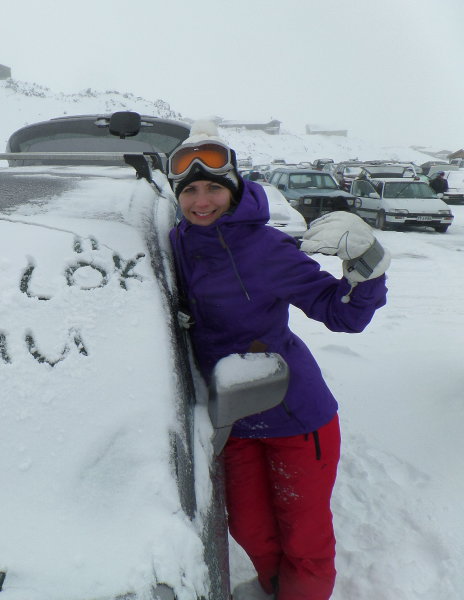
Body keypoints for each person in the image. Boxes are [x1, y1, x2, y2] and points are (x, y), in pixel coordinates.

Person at [168, 122, 389, 600]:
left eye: (213, 189)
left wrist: (367, 264)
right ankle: (275, 589)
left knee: (304, 540)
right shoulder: (177, 244)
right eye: (190, 191)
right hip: (232, 419)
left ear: (234, 188)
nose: (201, 201)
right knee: (250, 529)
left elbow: (343, 314)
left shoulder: (266, 248)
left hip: (297, 416)